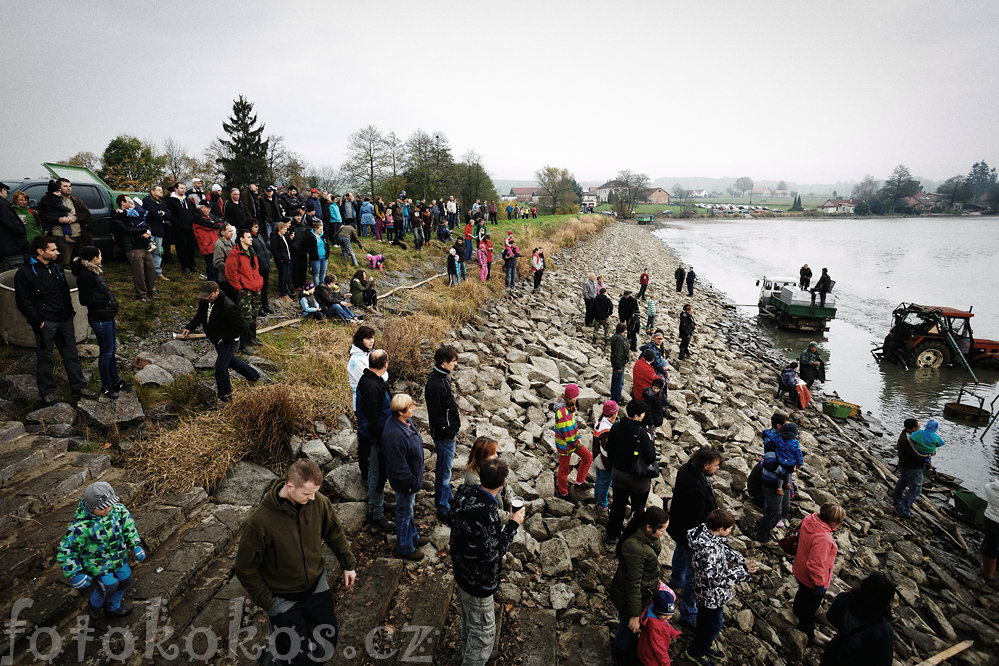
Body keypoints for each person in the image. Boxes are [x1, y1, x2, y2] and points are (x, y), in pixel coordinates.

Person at [234, 459, 357, 665]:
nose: (312, 498)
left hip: (316, 587)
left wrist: (348, 564)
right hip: (283, 599)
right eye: (307, 494)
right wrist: (269, 603)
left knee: (327, 640)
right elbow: (244, 568)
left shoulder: (319, 502)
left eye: (314, 493)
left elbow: (335, 534)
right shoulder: (260, 522)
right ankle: (272, 658)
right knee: (294, 656)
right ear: (290, 486)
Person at [450, 459, 525, 665]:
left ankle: (469, 652)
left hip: (461, 570)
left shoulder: (464, 493)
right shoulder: (486, 514)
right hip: (478, 581)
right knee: (483, 632)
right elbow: (494, 552)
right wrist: (513, 524)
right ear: (503, 484)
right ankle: (475, 657)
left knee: (469, 619)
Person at [14, 236, 95, 405]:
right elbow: (23, 301)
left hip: (64, 320)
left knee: (71, 354)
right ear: (40, 251)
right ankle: (48, 391)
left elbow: (64, 291)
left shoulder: (56, 268)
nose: (57, 252)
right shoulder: (25, 272)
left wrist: (70, 312)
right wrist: (38, 321)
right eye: (53, 250)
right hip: (45, 323)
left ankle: (78, 386)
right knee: (45, 357)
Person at [56, 481, 145, 620]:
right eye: (102, 508)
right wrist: (75, 573)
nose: (108, 509)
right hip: (97, 564)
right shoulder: (81, 527)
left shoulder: (118, 510)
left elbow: (129, 527)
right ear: (91, 508)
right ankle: (95, 604)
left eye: (110, 504)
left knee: (126, 578)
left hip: (118, 557)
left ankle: (113, 605)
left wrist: (136, 545)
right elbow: (66, 549)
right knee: (109, 586)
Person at [684, 510, 759, 666]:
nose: (731, 531)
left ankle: (704, 642)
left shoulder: (706, 533)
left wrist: (740, 562)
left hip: (704, 591)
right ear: (720, 529)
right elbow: (717, 579)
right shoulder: (708, 551)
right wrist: (743, 571)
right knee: (714, 625)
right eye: (729, 528)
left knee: (705, 621)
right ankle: (695, 652)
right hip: (710, 595)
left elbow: (724, 550)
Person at [666, 447, 722, 627]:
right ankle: (689, 613)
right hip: (691, 534)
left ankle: (675, 580)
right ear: (705, 466)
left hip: (679, 527)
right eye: (716, 465)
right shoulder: (697, 489)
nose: (717, 469)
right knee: (694, 575)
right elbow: (697, 518)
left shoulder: (686, 468)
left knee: (680, 551)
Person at [180, 281, 260, 402]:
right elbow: (200, 315)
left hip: (229, 340)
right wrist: (189, 327)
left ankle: (225, 397)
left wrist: (225, 339)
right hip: (216, 338)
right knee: (230, 361)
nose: (206, 298)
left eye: (209, 295)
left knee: (220, 368)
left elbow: (239, 326)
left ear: (217, 291)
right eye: (205, 295)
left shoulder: (228, 306)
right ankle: (253, 375)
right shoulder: (204, 301)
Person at [609, 506, 670, 664]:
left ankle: (629, 646)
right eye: (662, 530)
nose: (664, 534)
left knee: (630, 629)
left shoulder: (648, 539)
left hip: (641, 594)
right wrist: (635, 616)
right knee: (627, 628)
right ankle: (622, 655)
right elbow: (633, 584)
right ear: (649, 527)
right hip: (628, 598)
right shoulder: (634, 547)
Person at [71, 247, 129, 399]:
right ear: (94, 258)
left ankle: (115, 381)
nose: (101, 257)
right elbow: (84, 300)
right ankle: (107, 386)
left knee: (111, 350)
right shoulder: (86, 275)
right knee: (106, 353)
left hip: (107, 316)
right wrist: (106, 302)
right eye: (100, 255)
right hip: (100, 318)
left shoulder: (93, 271)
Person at [792, 502, 846, 646]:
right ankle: (808, 633)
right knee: (809, 609)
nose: (841, 524)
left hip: (800, 569)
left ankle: (796, 610)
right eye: (840, 521)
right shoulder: (823, 538)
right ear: (833, 521)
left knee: (801, 593)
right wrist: (819, 584)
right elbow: (815, 564)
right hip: (811, 579)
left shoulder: (810, 519)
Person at [606, 401, 658, 545]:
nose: (644, 416)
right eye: (643, 414)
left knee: (618, 505)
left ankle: (611, 535)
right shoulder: (642, 433)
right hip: (636, 478)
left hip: (618, 474)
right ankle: (632, 537)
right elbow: (649, 458)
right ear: (636, 415)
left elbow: (610, 449)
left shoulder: (615, 427)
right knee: (638, 509)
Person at [383, 393, 428, 561]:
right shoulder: (394, 434)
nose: (413, 408)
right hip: (405, 483)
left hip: (411, 479)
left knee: (408, 510)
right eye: (410, 407)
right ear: (401, 412)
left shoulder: (404, 422)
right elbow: (398, 466)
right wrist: (410, 482)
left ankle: (413, 536)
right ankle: (405, 547)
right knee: (404, 513)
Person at [356, 350, 394, 533]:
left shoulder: (373, 380)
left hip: (376, 437)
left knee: (378, 475)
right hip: (374, 441)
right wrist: (379, 441)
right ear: (385, 364)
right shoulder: (371, 386)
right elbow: (372, 419)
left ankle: (378, 503)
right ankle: (376, 514)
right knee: (376, 475)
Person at [823, 573, 896, 666]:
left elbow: (830, 617)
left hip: (833, 655)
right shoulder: (884, 629)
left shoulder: (845, 598)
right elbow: (884, 662)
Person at [424, 345, 461, 524]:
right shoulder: (436, 384)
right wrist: (449, 432)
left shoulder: (441, 378)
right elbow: (437, 414)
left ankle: (447, 497)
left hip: (447, 433)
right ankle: (442, 506)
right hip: (444, 435)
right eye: (453, 361)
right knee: (443, 472)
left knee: (446, 470)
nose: (455, 364)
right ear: (444, 363)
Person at [755, 422, 803, 543]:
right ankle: (762, 535)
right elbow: (770, 464)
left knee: (785, 508)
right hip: (772, 482)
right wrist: (788, 469)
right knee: (774, 511)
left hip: (784, 482)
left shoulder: (786, 441)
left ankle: (763, 523)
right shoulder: (771, 443)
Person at [37, 178, 92, 268]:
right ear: (59, 188)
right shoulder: (49, 200)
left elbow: (87, 214)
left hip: (79, 235)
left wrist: (74, 218)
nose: (69, 188)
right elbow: (43, 216)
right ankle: (64, 280)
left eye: (70, 186)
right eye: (65, 186)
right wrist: (60, 220)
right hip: (60, 236)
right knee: (65, 263)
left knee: (81, 262)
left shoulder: (76, 200)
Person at [112, 195, 158, 302]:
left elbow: (143, 222)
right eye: (129, 201)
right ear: (123, 203)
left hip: (144, 246)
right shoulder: (118, 216)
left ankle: (152, 291)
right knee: (138, 272)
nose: (131, 203)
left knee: (151, 269)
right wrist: (143, 231)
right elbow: (126, 230)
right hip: (132, 247)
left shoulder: (135, 213)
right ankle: (141, 294)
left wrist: (146, 232)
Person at [226, 228, 264, 351]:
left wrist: (258, 281)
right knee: (245, 316)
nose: (251, 239)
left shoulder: (252, 251)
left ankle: (252, 338)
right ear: (241, 239)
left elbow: (256, 268)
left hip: (255, 286)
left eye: (251, 237)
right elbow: (231, 273)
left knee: (254, 313)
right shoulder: (234, 253)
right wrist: (239, 287)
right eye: (248, 237)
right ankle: (242, 343)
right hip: (244, 289)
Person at [553, 383, 593, 502]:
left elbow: (572, 429)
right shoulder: (564, 413)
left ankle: (579, 482)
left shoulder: (565, 407)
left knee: (586, 458)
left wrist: (578, 435)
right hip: (567, 445)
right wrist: (578, 441)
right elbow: (569, 436)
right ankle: (563, 492)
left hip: (568, 443)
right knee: (565, 469)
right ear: (573, 397)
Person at [637, 587, 682, 666]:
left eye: (670, 615)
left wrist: (674, 633)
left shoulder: (659, 617)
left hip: (646, 650)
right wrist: (666, 663)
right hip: (651, 657)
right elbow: (659, 649)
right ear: (657, 612)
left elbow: (666, 624)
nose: (668, 618)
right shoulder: (655, 627)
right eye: (665, 615)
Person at [591, 401, 617, 518]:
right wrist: (610, 467)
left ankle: (597, 499)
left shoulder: (600, 421)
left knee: (599, 481)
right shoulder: (607, 430)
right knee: (604, 484)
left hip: (597, 458)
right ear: (613, 414)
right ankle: (602, 506)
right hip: (603, 462)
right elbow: (606, 452)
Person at [142, 185, 174, 280]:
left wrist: (163, 214)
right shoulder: (147, 201)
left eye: (161, 190)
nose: (161, 192)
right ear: (152, 191)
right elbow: (152, 213)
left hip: (159, 230)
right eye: (159, 190)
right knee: (147, 253)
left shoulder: (162, 202)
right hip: (150, 230)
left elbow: (169, 214)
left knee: (157, 253)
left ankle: (158, 273)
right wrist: (162, 215)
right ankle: (145, 274)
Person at [167, 182, 198, 273]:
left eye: (184, 188)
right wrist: (179, 223)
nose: (183, 190)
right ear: (176, 189)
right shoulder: (171, 201)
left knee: (191, 246)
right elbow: (171, 215)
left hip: (189, 227)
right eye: (181, 188)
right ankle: (185, 266)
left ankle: (192, 265)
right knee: (182, 247)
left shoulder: (187, 200)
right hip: (179, 229)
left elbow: (192, 212)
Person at [0, 181, 30, 271]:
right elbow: (15, 226)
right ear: (2, 190)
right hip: (11, 250)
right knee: (13, 277)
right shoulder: (3, 205)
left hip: (3, 250)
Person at [192, 199, 224, 282]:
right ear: (201, 208)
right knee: (210, 265)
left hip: (214, 243)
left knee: (216, 263)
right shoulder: (197, 216)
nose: (209, 209)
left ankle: (217, 281)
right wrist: (215, 224)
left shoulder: (209, 215)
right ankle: (212, 282)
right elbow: (210, 225)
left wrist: (215, 223)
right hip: (207, 244)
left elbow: (221, 222)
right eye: (207, 207)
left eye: (209, 208)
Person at [249, 221, 273, 316]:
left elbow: (264, 247)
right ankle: (258, 307)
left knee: (265, 287)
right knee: (258, 288)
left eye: (258, 226)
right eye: (255, 226)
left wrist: (268, 254)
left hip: (265, 264)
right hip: (258, 266)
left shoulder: (259, 236)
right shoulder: (251, 238)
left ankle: (265, 305)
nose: (257, 228)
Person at [213, 224, 237, 300]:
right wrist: (231, 267)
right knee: (230, 301)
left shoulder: (231, 243)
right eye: (229, 231)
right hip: (226, 280)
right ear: (222, 232)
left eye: (232, 231)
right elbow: (217, 263)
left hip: (234, 277)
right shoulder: (219, 245)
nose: (232, 233)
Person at [982, 477, 999, 581]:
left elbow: (987, 486)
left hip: (991, 520)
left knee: (991, 546)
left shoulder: (990, 488)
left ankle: (988, 572)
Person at [609, 323, 629, 404]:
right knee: (619, 382)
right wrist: (619, 366)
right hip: (619, 364)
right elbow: (618, 354)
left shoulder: (615, 336)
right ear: (624, 330)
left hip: (615, 363)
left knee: (615, 381)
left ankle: (614, 398)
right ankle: (617, 399)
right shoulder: (620, 339)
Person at [306, 220, 330, 286]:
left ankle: (322, 286)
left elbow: (327, 246)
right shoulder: (310, 237)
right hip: (315, 258)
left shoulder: (323, 236)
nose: (321, 231)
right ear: (315, 229)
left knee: (323, 273)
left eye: (322, 229)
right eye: (320, 229)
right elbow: (308, 248)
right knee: (316, 274)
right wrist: (312, 255)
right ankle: (317, 287)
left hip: (324, 257)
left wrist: (328, 254)